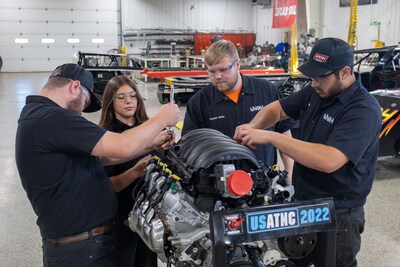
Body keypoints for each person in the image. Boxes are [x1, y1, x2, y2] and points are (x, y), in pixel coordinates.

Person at [234, 37, 382, 267]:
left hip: (338, 212)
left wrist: (271, 136)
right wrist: (254, 126)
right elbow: (278, 109)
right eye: (311, 76)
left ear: (345, 72)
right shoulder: (316, 91)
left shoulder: (363, 109)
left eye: (321, 76)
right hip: (305, 202)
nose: (313, 83)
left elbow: (329, 159)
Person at [15, 63, 179, 266]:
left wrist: (150, 145)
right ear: (75, 87)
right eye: (86, 101)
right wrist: (162, 118)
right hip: (82, 250)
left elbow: (101, 157)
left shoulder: (39, 116)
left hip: (81, 246)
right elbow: (122, 146)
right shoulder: (52, 117)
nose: (83, 109)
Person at [182, 39, 295, 177]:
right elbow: (189, 146)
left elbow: (284, 131)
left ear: (238, 64)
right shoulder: (199, 102)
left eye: (223, 70)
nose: (217, 76)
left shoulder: (266, 91)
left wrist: (289, 175)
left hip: (264, 182)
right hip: (218, 185)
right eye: (211, 71)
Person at [99, 75, 157, 267]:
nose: (129, 101)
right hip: (122, 218)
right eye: (121, 97)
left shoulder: (149, 130)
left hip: (150, 216)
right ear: (110, 102)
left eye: (133, 95)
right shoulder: (106, 136)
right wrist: (135, 171)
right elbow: (109, 186)